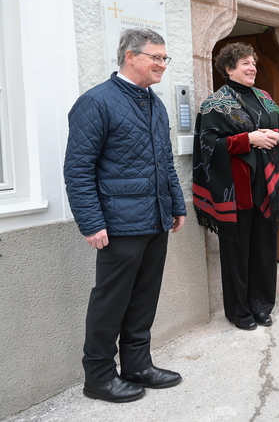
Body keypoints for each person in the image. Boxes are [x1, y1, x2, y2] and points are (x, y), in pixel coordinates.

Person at [64, 28, 186, 403]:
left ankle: (137, 365)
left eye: (165, 58)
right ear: (130, 57)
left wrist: (176, 205)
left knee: (144, 297)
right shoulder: (96, 102)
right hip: (118, 224)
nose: (162, 65)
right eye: (156, 57)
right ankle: (99, 377)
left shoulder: (154, 102)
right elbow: (78, 169)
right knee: (111, 300)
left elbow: (164, 162)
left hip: (155, 219)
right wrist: (91, 222)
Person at [193, 42, 279, 332]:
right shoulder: (214, 104)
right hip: (235, 190)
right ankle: (239, 311)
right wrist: (248, 140)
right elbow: (208, 145)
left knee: (264, 247)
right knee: (237, 252)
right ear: (229, 68)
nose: (252, 68)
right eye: (245, 63)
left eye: (253, 62)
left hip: (266, 186)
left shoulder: (265, 98)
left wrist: (271, 136)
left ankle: (262, 306)